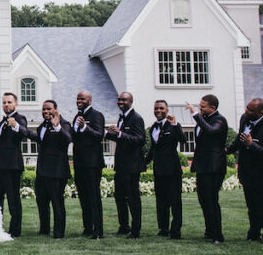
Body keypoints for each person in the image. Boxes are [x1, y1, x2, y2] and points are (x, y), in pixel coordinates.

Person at [226, 98, 263, 244]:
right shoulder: (245, 119)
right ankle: (254, 232)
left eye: (250, 110)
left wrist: (252, 145)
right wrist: (227, 150)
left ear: (260, 112)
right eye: (247, 108)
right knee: (251, 205)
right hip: (247, 172)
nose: (246, 111)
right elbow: (240, 138)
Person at [186, 94, 228, 244]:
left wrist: (195, 114)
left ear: (213, 108)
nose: (200, 108)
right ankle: (209, 230)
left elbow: (211, 131)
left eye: (203, 107)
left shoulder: (219, 120)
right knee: (203, 199)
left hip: (214, 166)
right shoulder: (206, 119)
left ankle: (218, 234)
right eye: (199, 106)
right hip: (203, 165)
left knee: (211, 199)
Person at [106, 91, 146, 238]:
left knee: (133, 198)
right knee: (119, 197)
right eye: (119, 100)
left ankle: (136, 230)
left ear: (130, 101)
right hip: (121, 165)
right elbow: (121, 139)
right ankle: (124, 226)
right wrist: (107, 134)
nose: (120, 102)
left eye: (124, 100)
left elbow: (140, 140)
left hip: (132, 166)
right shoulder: (122, 118)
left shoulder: (136, 119)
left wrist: (120, 133)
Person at [0, 92, 32, 238]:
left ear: (16, 104)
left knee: (13, 198)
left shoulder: (20, 119)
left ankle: (15, 230)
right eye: (4, 102)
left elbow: (24, 134)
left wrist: (16, 126)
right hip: (0, 166)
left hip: (13, 166)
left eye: (9, 102)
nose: (6, 105)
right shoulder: (2, 122)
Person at [145, 100, 183, 239]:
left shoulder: (172, 125)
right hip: (158, 169)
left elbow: (182, 139)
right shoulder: (153, 127)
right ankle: (163, 228)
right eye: (156, 108)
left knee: (175, 201)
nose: (158, 111)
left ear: (167, 110)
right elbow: (153, 148)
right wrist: (144, 162)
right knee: (161, 201)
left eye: (161, 108)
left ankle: (176, 230)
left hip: (172, 169)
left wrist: (174, 124)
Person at [35, 100, 72, 238]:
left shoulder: (65, 124)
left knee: (57, 202)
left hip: (57, 171)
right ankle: (44, 229)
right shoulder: (41, 127)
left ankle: (59, 231)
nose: (46, 111)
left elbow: (68, 139)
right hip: (42, 170)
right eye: (44, 109)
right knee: (41, 201)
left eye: (49, 109)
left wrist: (58, 127)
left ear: (56, 109)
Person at [72, 91, 106, 239]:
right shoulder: (77, 117)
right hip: (79, 163)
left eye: (82, 98)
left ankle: (98, 230)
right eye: (78, 98)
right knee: (83, 196)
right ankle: (87, 227)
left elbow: (99, 135)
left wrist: (85, 128)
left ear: (90, 100)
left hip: (92, 163)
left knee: (93, 196)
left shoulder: (96, 115)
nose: (79, 101)